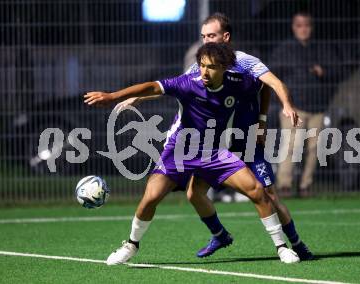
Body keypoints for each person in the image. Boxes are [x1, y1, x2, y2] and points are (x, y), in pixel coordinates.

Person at [84, 43, 300, 265]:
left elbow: (265, 86)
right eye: (202, 65)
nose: (205, 72)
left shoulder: (239, 83)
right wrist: (113, 97)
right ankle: (131, 245)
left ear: (225, 67)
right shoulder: (188, 83)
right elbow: (151, 87)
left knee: (257, 190)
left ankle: (282, 247)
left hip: (213, 152)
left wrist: (265, 117)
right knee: (151, 197)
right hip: (179, 152)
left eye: (212, 67)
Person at [124, 13, 314, 261]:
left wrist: (264, 119)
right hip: (217, 144)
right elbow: (179, 87)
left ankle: (296, 245)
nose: (206, 41)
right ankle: (220, 235)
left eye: (211, 36)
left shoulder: (245, 63)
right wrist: (141, 97)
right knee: (194, 193)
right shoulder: (201, 66)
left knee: (268, 194)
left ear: (226, 37)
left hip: (246, 140)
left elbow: (268, 84)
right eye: (203, 36)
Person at [270, 11, 343, 198]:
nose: (303, 29)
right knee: (291, 146)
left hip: (318, 106)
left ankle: (305, 186)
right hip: (294, 107)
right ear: (293, 27)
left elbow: (338, 71)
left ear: (311, 27)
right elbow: (273, 76)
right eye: (299, 25)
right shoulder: (284, 49)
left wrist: (323, 71)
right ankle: (284, 185)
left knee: (314, 148)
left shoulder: (322, 48)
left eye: (306, 25)